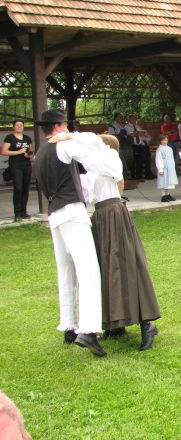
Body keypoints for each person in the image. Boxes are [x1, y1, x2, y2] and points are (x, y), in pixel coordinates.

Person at [55, 133, 161, 350]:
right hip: (100, 216)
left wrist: (74, 138)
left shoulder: (110, 158)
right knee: (107, 269)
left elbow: (111, 171)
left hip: (114, 213)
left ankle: (146, 323)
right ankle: (115, 324)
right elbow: (83, 189)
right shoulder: (93, 165)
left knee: (127, 265)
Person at [32, 109, 108, 357]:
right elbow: (95, 147)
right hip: (72, 211)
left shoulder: (40, 151)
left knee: (66, 272)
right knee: (88, 271)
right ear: (59, 126)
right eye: (66, 125)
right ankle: (88, 329)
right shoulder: (63, 146)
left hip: (55, 213)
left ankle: (69, 325)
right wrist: (74, 136)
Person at [1, 120, 33, 221]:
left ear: (23, 127)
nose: (19, 127)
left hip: (26, 165)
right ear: (13, 127)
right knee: (18, 188)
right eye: (17, 125)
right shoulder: (10, 137)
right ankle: (17, 212)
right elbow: (3, 151)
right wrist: (18, 152)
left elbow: (31, 153)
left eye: (21, 125)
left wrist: (28, 155)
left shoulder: (27, 138)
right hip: (15, 165)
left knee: (25, 188)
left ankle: (24, 211)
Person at [126, 115, 154, 180]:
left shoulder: (137, 126)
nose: (135, 120)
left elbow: (143, 133)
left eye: (135, 119)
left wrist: (136, 133)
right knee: (133, 161)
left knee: (139, 161)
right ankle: (133, 176)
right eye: (133, 119)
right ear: (129, 119)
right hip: (132, 145)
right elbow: (131, 134)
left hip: (139, 146)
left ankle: (139, 176)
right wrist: (138, 133)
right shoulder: (127, 126)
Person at [155, 134, 178, 202]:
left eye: (166, 140)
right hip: (164, 166)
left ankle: (168, 194)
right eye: (163, 140)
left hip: (170, 166)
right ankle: (163, 196)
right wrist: (160, 169)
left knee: (169, 181)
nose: (165, 141)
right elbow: (158, 159)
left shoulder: (169, 148)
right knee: (163, 181)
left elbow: (172, 158)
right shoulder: (159, 149)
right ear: (160, 141)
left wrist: (173, 166)